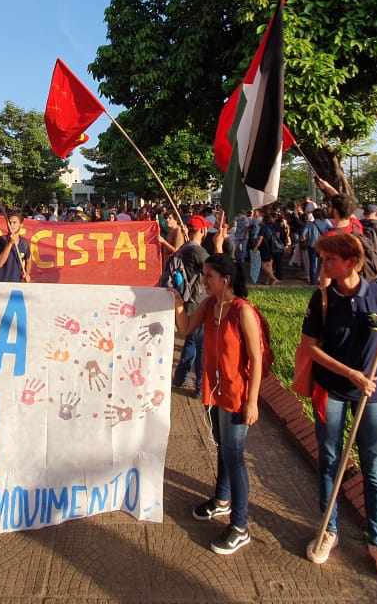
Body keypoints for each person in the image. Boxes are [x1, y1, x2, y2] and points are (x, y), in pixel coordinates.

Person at [299, 232, 377, 587]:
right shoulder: (323, 299)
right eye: (323, 259)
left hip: (372, 396)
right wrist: (350, 375)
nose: (323, 265)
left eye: (329, 259)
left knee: (374, 470)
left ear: (351, 261)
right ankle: (328, 529)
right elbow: (311, 349)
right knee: (329, 461)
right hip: (333, 390)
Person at [173, 253, 264, 556]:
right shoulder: (210, 305)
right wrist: (177, 303)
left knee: (235, 457)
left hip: (237, 396)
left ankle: (240, 527)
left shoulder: (242, 311)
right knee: (222, 448)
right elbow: (185, 328)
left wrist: (252, 401)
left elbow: (256, 358)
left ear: (225, 280)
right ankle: (222, 500)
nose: (205, 280)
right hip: (215, 391)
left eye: (209, 276)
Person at [169, 217, 210, 393]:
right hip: (197, 301)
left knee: (191, 341)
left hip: (186, 300)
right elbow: (217, 269)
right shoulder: (198, 251)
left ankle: (180, 377)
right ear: (202, 231)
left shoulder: (185, 248)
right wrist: (219, 245)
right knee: (201, 345)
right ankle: (200, 386)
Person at [0, 212, 32, 282]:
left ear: (21, 225)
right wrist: (9, 244)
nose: (11, 225)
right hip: (1, 285)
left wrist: (27, 273)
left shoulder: (24, 243)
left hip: (17, 285)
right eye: (9, 223)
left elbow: (29, 261)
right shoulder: (0, 241)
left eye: (14, 223)